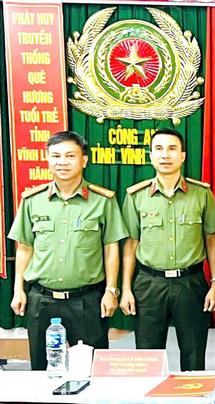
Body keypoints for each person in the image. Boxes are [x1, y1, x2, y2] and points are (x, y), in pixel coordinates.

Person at [7, 131, 127, 370]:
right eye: (56, 156)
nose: (62, 162)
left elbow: (111, 248)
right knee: (42, 370)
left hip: (87, 300)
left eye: (70, 155)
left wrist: (111, 290)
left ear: (84, 160)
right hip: (41, 299)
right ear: (47, 159)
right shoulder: (32, 200)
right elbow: (25, 248)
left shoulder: (102, 201)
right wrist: (18, 290)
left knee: (91, 371)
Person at [120, 128, 215, 371]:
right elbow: (130, 244)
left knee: (194, 354)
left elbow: (213, 240)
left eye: (172, 149)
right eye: (159, 149)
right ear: (151, 156)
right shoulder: (136, 196)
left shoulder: (202, 194)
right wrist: (125, 289)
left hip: (191, 283)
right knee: (148, 358)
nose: (165, 155)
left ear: (183, 156)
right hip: (149, 284)